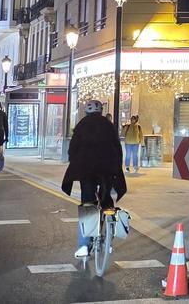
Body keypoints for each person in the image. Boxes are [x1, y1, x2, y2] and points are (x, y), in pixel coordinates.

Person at [62, 100, 125, 258]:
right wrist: (117, 168)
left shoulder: (82, 125)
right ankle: (109, 238)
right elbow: (117, 148)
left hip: (87, 170)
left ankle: (84, 245)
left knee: (88, 203)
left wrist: (74, 162)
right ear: (101, 111)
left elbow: (73, 148)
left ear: (86, 111)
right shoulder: (108, 125)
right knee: (106, 200)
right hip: (107, 169)